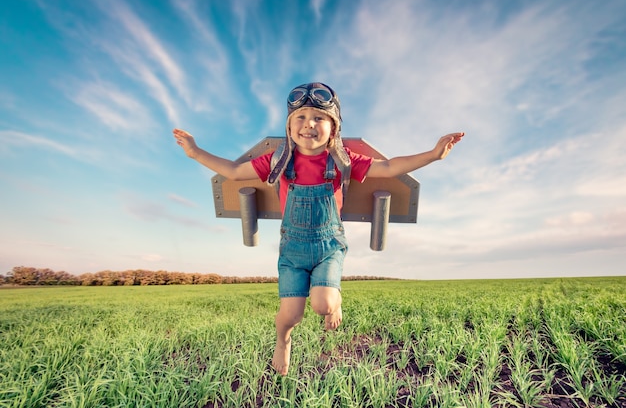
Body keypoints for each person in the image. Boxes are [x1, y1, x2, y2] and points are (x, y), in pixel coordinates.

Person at [173, 82, 464, 376]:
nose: (308, 124)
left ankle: (334, 301)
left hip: (329, 247)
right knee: (290, 315)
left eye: (318, 118)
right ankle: (282, 342)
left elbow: (388, 167)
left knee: (322, 305)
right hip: (293, 251)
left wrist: (433, 154)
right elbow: (234, 172)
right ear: (289, 127)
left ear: (333, 128)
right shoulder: (278, 159)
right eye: (300, 117)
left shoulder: (341, 160)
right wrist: (195, 152)